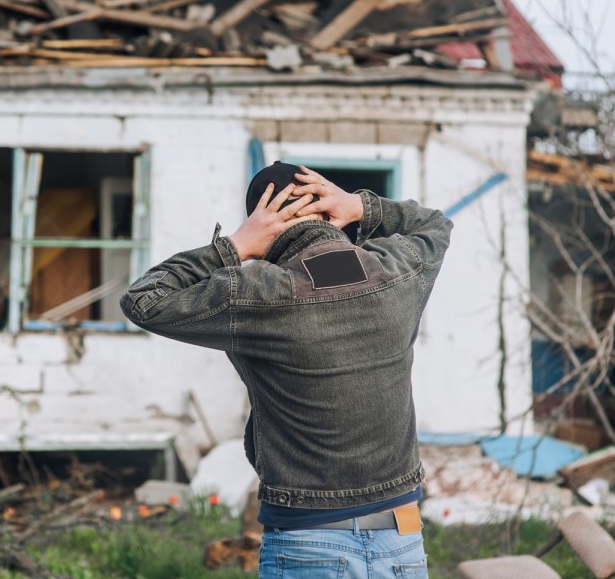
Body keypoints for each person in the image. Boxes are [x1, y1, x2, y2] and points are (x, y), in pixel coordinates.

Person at [120, 162, 452, 579]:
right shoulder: (398, 270)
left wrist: (234, 246)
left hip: (306, 540)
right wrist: (359, 206)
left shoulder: (257, 294)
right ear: (326, 211)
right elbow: (436, 225)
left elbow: (144, 300)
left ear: (263, 224)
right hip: (402, 539)